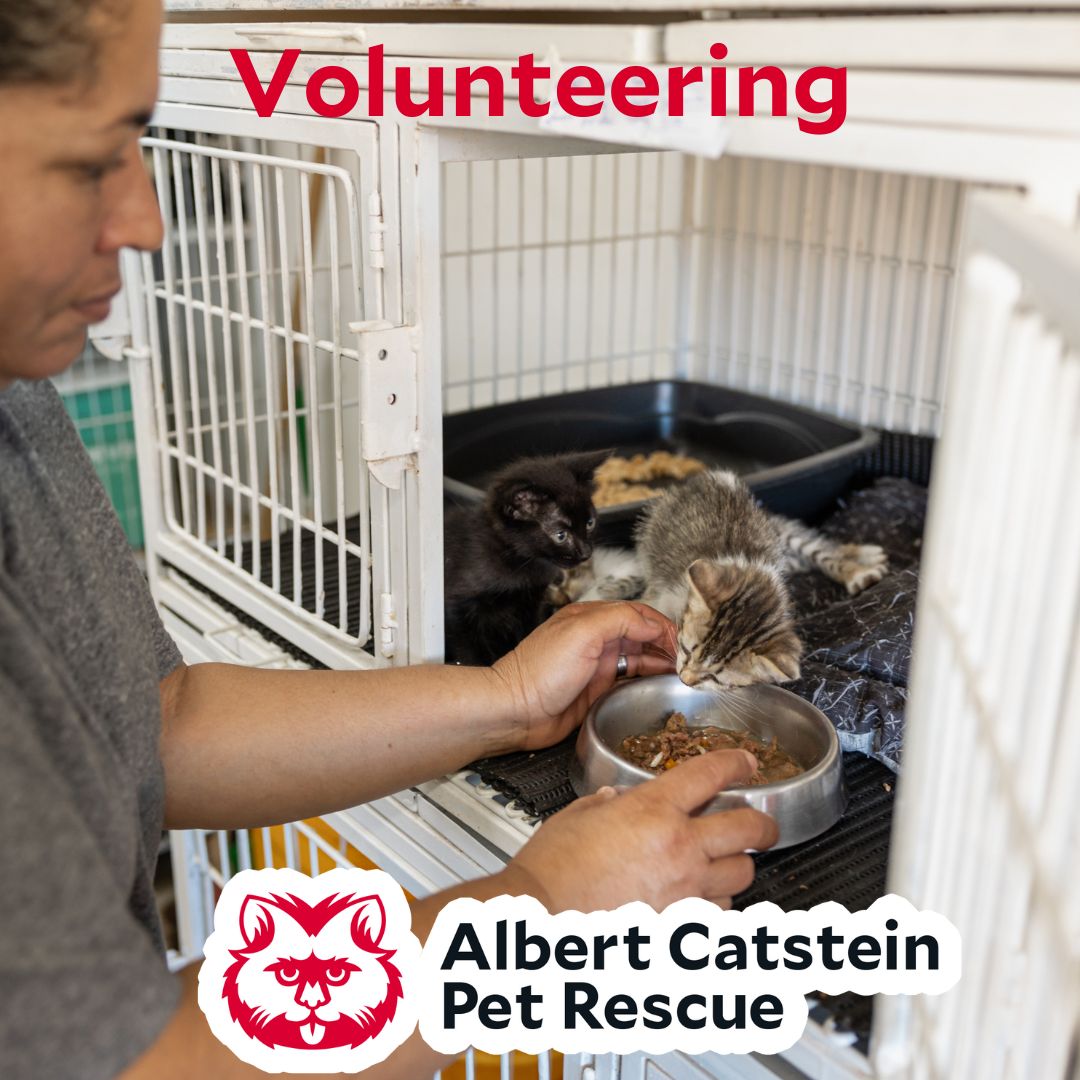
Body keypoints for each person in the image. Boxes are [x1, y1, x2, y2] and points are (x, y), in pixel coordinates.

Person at [0, 2, 779, 1078]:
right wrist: (540, 909)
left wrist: (506, 701)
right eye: (92, 161)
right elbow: (137, 1064)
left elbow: (148, 721)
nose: (146, 222)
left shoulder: (15, 401)